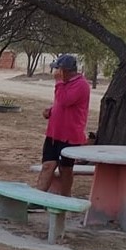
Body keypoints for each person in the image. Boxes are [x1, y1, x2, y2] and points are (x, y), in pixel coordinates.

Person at [36, 54, 90, 197]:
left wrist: (58, 83)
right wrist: (51, 111)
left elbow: (66, 101)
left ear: (65, 70)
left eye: (58, 69)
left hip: (69, 136)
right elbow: (61, 104)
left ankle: (65, 197)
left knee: (65, 169)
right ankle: (37, 199)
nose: (56, 73)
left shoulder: (81, 85)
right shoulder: (63, 85)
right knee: (47, 166)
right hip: (54, 134)